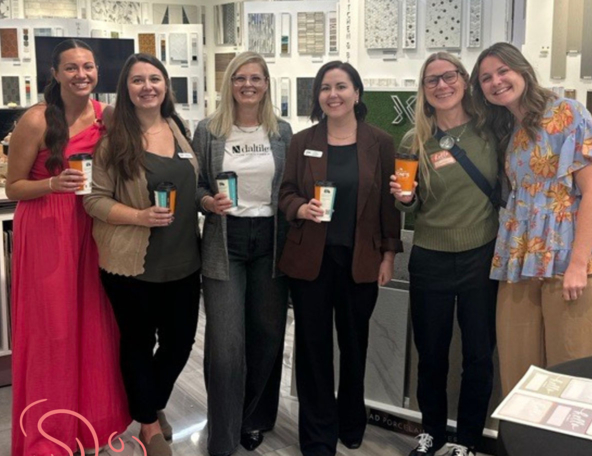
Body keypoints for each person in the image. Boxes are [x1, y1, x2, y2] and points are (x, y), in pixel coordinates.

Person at [7, 39, 130, 456]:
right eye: (72, 68)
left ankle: (93, 425)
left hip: (92, 228)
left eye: (89, 67)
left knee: (96, 323)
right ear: (55, 74)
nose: (82, 75)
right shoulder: (37, 119)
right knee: (52, 331)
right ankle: (48, 436)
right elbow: (14, 186)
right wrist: (51, 184)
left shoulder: (107, 116)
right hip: (46, 229)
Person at [278, 60, 402, 456]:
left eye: (341, 86)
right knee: (313, 349)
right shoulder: (303, 141)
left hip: (360, 260)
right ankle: (317, 434)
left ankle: (351, 421)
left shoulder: (380, 142)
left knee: (354, 344)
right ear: (318, 97)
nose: (333, 94)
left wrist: (388, 255)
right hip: (310, 262)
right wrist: (300, 208)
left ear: (357, 94)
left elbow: (388, 203)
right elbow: (285, 194)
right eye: (325, 87)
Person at [83, 53, 201, 456]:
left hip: (185, 262)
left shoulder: (178, 128)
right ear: (126, 89)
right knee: (137, 342)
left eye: (155, 78)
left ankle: (148, 401)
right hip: (131, 266)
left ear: (166, 85)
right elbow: (94, 202)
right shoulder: (115, 141)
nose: (147, 86)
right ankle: (149, 424)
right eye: (137, 80)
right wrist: (139, 215)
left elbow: (192, 188)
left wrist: (208, 202)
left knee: (180, 344)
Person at [390, 52, 499, 456]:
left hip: (482, 255)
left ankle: (467, 440)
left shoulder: (491, 130)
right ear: (424, 89)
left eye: (448, 77)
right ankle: (431, 431)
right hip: (431, 256)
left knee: (478, 355)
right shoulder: (413, 139)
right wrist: (404, 199)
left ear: (464, 80)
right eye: (431, 80)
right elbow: (408, 203)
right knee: (431, 354)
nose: (441, 85)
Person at [471, 42, 592, 396]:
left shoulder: (567, 113)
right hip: (517, 261)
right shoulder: (510, 131)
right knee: (519, 374)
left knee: (569, 373)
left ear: (521, 69)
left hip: (565, 261)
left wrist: (578, 263)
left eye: (502, 71)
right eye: (486, 78)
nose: (496, 82)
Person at [192, 51, 292, 456]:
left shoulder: (282, 131)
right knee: (226, 344)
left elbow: (288, 188)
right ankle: (222, 434)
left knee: (268, 337)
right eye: (239, 78)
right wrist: (206, 202)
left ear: (267, 84)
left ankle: (254, 418)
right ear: (229, 84)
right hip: (224, 241)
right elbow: (196, 183)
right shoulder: (209, 130)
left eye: (256, 78)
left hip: (270, 241)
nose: (247, 84)